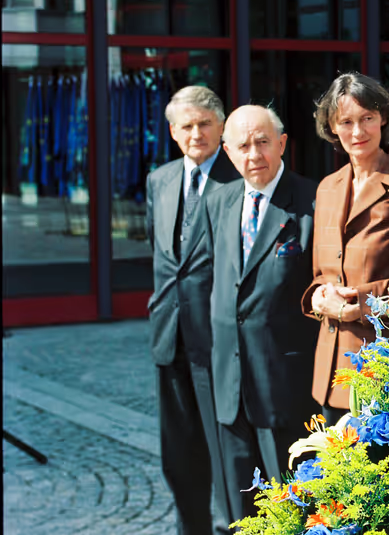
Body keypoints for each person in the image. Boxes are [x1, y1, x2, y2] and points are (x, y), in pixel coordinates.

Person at [195, 105, 319, 520]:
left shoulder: (312, 201)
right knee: (237, 509)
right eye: (243, 146)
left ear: (282, 144)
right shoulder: (218, 201)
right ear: (227, 152)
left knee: (294, 507)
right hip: (230, 383)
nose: (254, 154)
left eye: (263, 142)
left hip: (286, 381)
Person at [302, 73, 389, 422]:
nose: (357, 132)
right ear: (331, 126)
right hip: (330, 371)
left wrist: (359, 305)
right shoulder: (327, 187)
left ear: (384, 118)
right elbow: (321, 274)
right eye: (346, 121)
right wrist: (317, 296)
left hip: (382, 367)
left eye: (367, 118)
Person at [145, 85, 237, 535]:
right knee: (178, 453)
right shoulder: (158, 181)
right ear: (172, 132)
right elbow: (163, 259)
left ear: (221, 127)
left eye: (205, 124)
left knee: (222, 451)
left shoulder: (239, 178)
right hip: (169, 337)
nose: (196, 133)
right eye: (187, 126)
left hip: (218, 340)